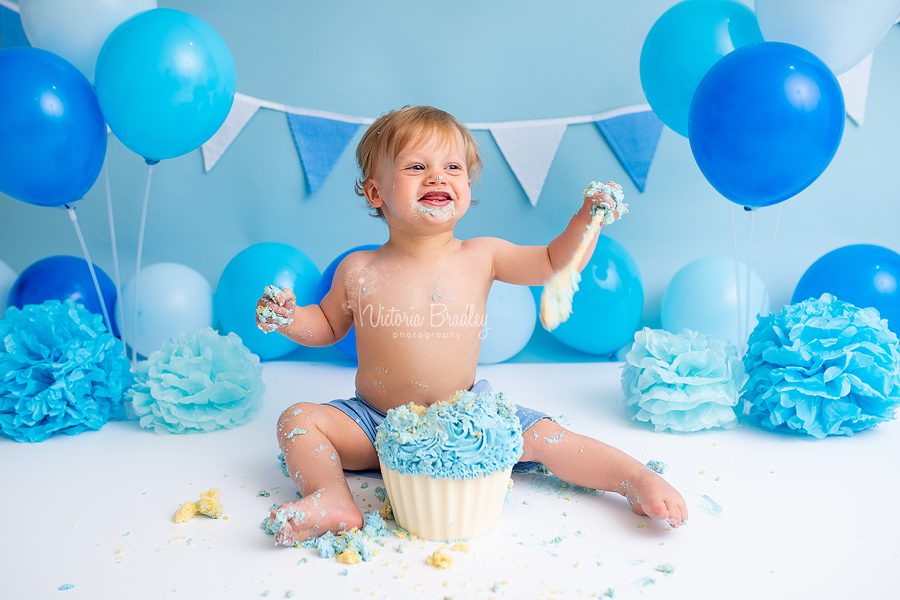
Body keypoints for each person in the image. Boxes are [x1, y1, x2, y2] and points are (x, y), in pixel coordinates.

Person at [256, 105, 687, 546]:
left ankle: (634, 477)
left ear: (466, 186)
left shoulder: (481, 255)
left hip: (468, 420)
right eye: (417, 166)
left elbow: (553, 261)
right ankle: (332, 498)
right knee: (299, 420)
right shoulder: (358, 268)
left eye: (452, 167)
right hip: (376, 426)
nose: (438, 177)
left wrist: (586, 219)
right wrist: (290, 319)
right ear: (375, 193)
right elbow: (326, 325)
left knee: (548, 437)